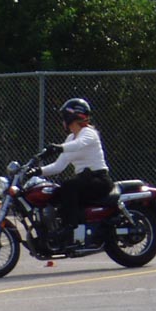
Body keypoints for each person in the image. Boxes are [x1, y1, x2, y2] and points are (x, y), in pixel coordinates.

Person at [37, 97, 112, 244]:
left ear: (71, 117)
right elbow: (59, 166)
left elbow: (79, 144)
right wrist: (37, 171)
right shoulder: (70, 138)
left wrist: (58, 147)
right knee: (55, 193)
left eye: (64, 117)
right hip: (84, 180)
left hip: (99, 180)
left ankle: (70, 228)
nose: (63, 121)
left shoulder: (89, 132)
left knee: (69, 186)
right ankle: (54, 230)